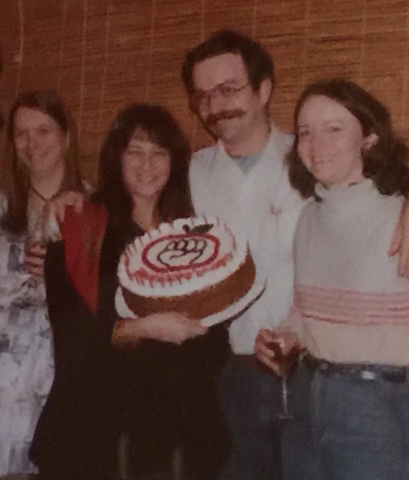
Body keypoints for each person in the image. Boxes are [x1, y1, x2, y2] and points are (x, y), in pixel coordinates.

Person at [31, 103, 229, 480]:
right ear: (116, 158)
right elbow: (70, 334)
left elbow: (215, 336)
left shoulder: (190, 235)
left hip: (175, 437)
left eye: (158, 153)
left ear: (174, 162)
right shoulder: (80, 226)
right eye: (135, 152)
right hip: (94, 432)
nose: (146, 164)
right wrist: (147, 328)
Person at [255, 78, 409, 480]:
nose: (315, 142)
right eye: (305, 131)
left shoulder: (400, 214)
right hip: (308, 393)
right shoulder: (309, 216)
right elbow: (303, 312)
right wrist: (286, 336)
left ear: (370, 139)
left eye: (334, 128)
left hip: (380, 401)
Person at [181, 30, 305, 480]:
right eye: (204, 95)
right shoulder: (189, 174)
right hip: (229, 379)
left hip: (311, 371)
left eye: (229, 89)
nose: (216, 107)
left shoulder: (308, 159)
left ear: (264, 88)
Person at [0, 90, 87, 479]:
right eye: (21, 134)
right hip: (4, 387)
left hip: (68, 381)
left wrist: (62, 275)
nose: (32, 144)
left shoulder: (95, 208)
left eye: (43, 131)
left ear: (66, 137)